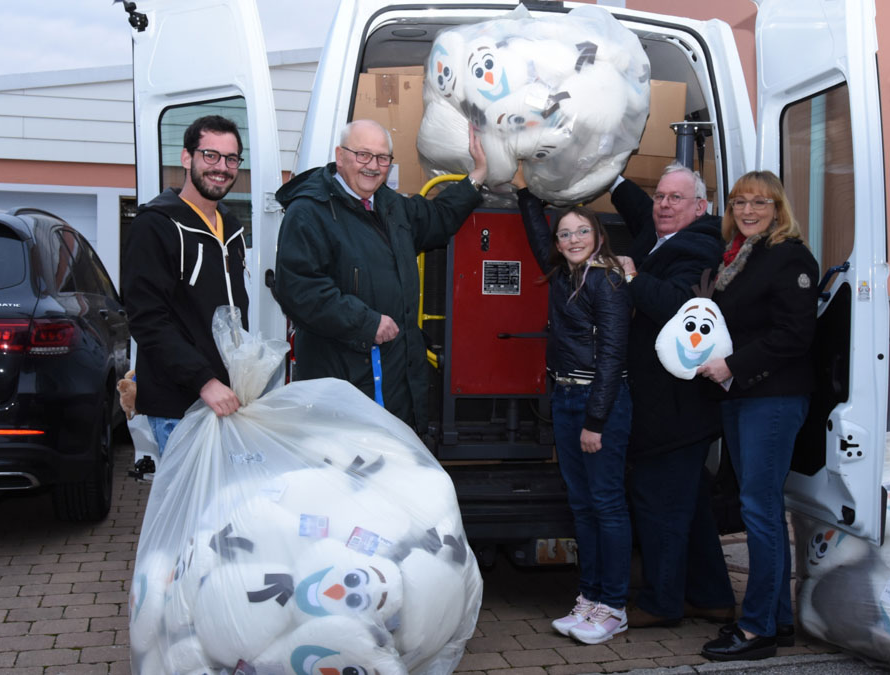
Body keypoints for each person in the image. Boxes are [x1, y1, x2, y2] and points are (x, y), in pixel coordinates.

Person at [273, 119, 487, 433]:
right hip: (342, 386)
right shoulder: (308, 211)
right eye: (363, 155)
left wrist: (477, 175)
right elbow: (300, 290)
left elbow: (436, 218)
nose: (373, 166)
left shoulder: (390, 205)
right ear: (340, 155)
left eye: (382, 158)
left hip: (395, 379)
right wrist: (366, 322)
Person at [697, 170, 818, 661]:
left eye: (760, 203)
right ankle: (779, 622)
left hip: (772, 398)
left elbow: (795, 335)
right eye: (740, 202)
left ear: (778, 209)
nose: (748, 211)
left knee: (760, 512)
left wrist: (732, 364)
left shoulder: (789, 257)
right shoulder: (741, 258)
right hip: (744, 396)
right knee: (764, 509)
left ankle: (756, 631)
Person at [610, 164, 736, 627]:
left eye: (675, 199)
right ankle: (712, 597)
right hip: (673, 409)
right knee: (691, 506)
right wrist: (613, 178)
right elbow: (644, 212)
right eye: (660, 196)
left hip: (675, 411)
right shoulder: (666, 234)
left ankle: (661, 604)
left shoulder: (700, 247)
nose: (663, 204)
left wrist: (632, 276)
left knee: (658, 504)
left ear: (700, 208)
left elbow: (681, 311)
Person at [516, 183, 633, 645]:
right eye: (564, 234)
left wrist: (596, 421)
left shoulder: (606, 281)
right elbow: (535, 238)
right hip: (566, 398)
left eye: (582, 231)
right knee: (583, 506)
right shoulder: (565, 274)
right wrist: (528, 196)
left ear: (598, 235)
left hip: (597, 403)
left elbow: (612, 357)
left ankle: (615, 607)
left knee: (606, 505)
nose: (572, 240)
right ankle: (590, 598)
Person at [122, 115, 249, 456]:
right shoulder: (156, 225)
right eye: (210, 155)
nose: (221, 167)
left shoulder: (231, 227)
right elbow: (147, 319)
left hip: (226, 401)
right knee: (190, 508)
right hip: (181, 407)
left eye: (231, 158)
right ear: (186, 158)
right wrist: (204, 381)